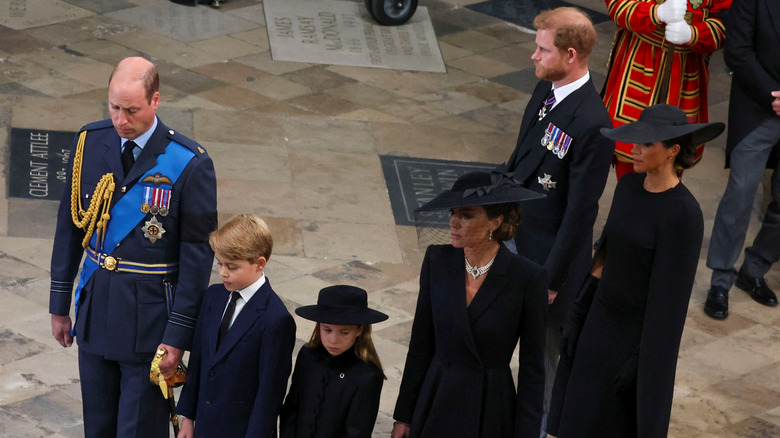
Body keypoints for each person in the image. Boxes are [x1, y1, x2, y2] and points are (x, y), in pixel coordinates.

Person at [49, 56, 217, 437]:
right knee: (99, 426)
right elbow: (69, 227)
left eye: (131, 110)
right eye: (113, 107)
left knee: (139, 429)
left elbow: (196, 258)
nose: (120, 120)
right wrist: (59, 306)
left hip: (150, 323)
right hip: (94, 312)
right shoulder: (90, 142)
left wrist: (177, 336)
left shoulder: (189, 163)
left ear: (155, 101)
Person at [547, 104, 724, 437]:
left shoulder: (683, 216)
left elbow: (669, 307)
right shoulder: (628, 188)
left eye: (646, 145)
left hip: (631, 343)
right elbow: (604, 258)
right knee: (577, 418)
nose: (635, 150)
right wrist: (579, 316)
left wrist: (641, 363)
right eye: (635, 142)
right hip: (597, 325)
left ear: (673, 151)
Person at [497, 7, 614, 433]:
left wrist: (551, 279)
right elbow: (519, 162)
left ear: (569, 54)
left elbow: (581, 214)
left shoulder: (592, 124)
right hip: (513, 242)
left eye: (542, 50)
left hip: (548, 263)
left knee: (541, 362)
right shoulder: (545, 91)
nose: (533, 56)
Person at [391, 171, 548, 438]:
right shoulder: (437, 260)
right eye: (453, 213)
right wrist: (404, 416)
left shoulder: (527, 277)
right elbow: (420, 344)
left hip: (489, 407)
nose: (453, 222)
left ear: (494, 222)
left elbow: (533, 368)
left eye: (466, 215)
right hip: (437, 398)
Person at [176, 214, 296, 437]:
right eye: (219, 263)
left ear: (259, 264)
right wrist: (187, 417)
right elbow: (199, 361)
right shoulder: (213, 296)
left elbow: (270, 393)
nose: (222, 272)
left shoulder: (275, 319)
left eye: (231, 266)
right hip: (203, 425)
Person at [703, 0, 780, 320]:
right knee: (740, 193)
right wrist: (774, 96)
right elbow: (738, 51)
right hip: (758, 111)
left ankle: (754, 269)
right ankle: (720, 280)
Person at [602, 0, 730, 179]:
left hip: (685, 73)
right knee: (630, 155)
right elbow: (618, 5)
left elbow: (728, 23)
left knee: (674, 155)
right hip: (638, 64)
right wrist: (656, 13)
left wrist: (693, 34)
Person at [280, 285, 388, 438]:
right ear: (318, 326)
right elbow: (292, 408)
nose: (333, 340)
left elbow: (357, 432)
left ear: (360, 330)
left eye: (344, 332)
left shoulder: (367, 376)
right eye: (327, 330)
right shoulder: (308, 356)